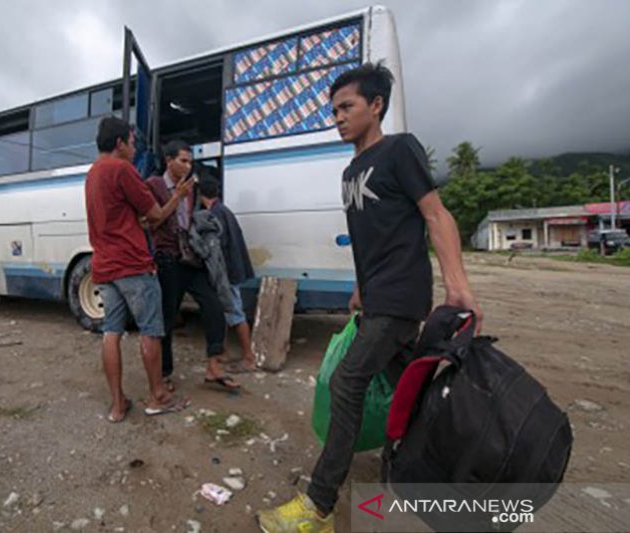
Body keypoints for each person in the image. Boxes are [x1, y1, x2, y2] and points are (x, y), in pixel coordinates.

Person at [257, 62, 483, 532]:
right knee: (408, 389)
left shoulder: (400, 150)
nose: (337, 117)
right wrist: (361, 285)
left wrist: (458, 285)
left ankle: (318, 508)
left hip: (402, 297)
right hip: (377, 296)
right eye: (333, 109)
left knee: (347, 382)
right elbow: (366, 237)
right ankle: (434, 464)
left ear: (376, 106)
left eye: (347, 107)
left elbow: (436, 215)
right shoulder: (350, 171)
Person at [85, 117, 191, 422]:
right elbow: (156, 216)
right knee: (150, 331)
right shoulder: (122, 169)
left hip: (104, 266)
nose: (134, 148)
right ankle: (158, 396)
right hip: (132, 264)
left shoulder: (92, 174)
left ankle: (117, 406)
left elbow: (125, 217)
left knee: (111, 333)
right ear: (119, 143)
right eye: (132, 142)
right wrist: (178, 196)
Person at [146, 141, 240, 391]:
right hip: (168, 258)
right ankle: (164, 373)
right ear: (169, 160)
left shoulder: (192, 188)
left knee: (213, 304)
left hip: (191, 256)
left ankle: (214, 365)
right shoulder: (154, 185)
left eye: (190, 162)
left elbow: (189, 221)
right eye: (183, 161)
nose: (188, 166)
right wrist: (177, 197)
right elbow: (151, 223)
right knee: (167, 317)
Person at [197, 176, 256, 373]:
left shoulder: (214, 214)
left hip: (227, 273)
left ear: (200, 194)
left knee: (235, 313)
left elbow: (215, 248)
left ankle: (249, 357)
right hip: (234, 269)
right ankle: (224, 352)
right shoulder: (224, 210)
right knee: (224, 311)